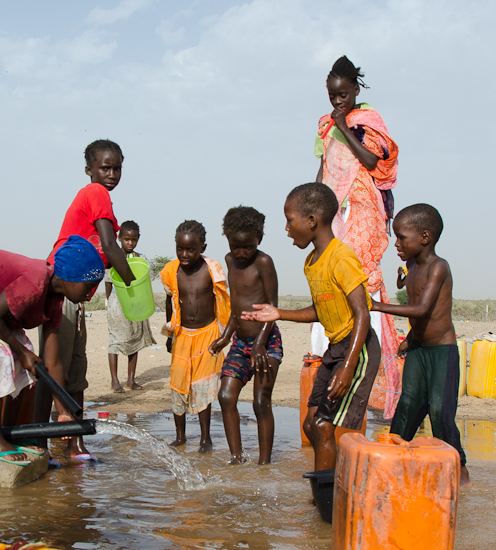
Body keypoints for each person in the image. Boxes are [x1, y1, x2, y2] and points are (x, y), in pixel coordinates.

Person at [243, 183, 380, 472]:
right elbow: (322, 309)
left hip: (359, 348)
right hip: (336, 349)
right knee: (311, 422)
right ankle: (323, 490)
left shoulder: (341, 258)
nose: (286, 228)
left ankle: (329, 495)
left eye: (289, 220)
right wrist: (279, 313)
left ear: (312, 221)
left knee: (321, 424)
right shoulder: (312, 262)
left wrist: (348, 366)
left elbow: (362, 313)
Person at [0, 237, 103, 464]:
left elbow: (52, 362)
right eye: (89, 285)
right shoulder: (35, 281)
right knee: (0, 354)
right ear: (70, 277)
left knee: (28, 357)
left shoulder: (55, 300)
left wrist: (63, 411)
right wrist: (21, 353)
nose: (90, 293)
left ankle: (9, 433)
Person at [314, 56, 401, 420]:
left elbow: (371, 161)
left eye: (344, 95)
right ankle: (331, 346)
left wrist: (345, 126)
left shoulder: (367, 122)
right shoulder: (325, 126)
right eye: (333, 97)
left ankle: (366, 347)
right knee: (332, 271)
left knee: (359, 275)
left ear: (356, 90)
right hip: (336, 208)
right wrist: (315, 202)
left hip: (362, 205)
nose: (338, 102)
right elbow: (323, 168)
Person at [41, 140, 136, 456]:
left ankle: (74, 445)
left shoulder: (101, 200)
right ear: (90, 170)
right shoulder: (96, 193)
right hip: (60, 289)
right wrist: (132, 284)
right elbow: (110, 248)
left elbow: (107, 254)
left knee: (76, 371)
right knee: (56, 368)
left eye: (116, 168)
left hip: (76, 295)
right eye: (104, 168)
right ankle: (41, 442)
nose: (111, 174)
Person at [369, 204, 468, 482]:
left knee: (439, 409)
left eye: (401, 237)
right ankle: (393, 459)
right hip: (418, 349)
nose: (396, 243)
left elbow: (424, 309)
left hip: (441, 352)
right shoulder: (412, 266)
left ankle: (458, 467)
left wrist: (377, 306)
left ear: (425, 237)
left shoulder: (439, 267)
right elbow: (412, 298)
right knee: (409, 404)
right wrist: (410, 339)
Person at [209, 206, 281, 464]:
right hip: (240, 342)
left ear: (258, 240)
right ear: (227, 240)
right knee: (226, 396)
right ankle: (236, 458)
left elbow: (272, 306)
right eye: (235, 246)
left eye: (247, 247)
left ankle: (264, 464)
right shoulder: (229, 261)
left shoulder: (263, 262)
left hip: (266, 339)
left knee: (261, 402)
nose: (241, 253)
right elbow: (236, 306)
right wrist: (226, 336)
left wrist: (261, 343)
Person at [161, 220, 230, 452]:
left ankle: (205, 438)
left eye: (191, 249)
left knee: (203, 388)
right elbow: (170, 302)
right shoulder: (171, 271)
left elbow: (223, 302)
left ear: (203, 247)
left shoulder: (211, 270)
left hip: (208, 335)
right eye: (180, 248)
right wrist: (170, 333)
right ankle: (180, 436)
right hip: (182, 335)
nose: (184, 254)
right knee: (178, 385)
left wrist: (224, 336)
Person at [104, 220, 154, 393]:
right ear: (119, 238)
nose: (130, 243)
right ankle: (115, 380)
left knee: (135, 340)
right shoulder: (113, 259)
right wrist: (108, 304)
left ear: (138, 239)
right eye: (126, 239)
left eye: (133, 240)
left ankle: (131, 380)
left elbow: (145, 280)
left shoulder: (140, 259)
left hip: (136, 305)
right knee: (115, 342)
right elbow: (108, 284)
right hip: (117, 305)